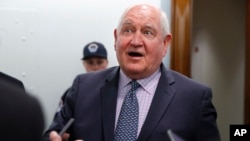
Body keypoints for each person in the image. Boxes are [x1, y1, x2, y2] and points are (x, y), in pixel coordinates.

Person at [44, 3, 220, 141]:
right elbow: (52, 135)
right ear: (116, 39)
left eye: (147, 32)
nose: (136, 41)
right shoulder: (83, 88)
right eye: (128, 30)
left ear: (165, 44)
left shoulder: (195, 98)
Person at [53, 41, 108, 119]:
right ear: (84, 64)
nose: (95, 67)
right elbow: (58, 124)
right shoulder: (71, 93)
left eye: (99, 62)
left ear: (107, 63)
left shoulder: (117, 90)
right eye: (90, 63)